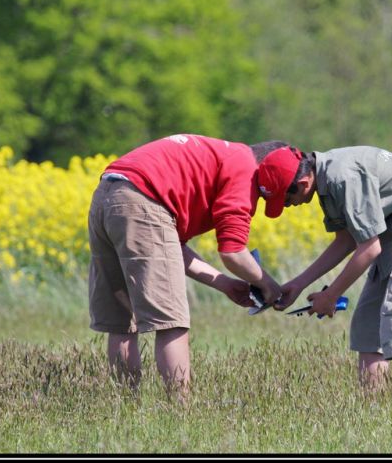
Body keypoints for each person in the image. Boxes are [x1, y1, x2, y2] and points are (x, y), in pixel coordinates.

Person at [87, 134, 285, 396]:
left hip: (106, 194)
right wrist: (269, 286)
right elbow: (233, 252)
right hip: (142, 201)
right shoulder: (245, 169)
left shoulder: (220, 156)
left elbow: (172, 247)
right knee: (172, 322)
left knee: (122, 321)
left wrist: (224, 284)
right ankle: (180, 412)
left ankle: (123, 406)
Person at [258, 146, 392, 399]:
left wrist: (331, 295)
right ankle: (373, 411)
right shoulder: (325, 180)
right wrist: (298, 285)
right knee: (366, 327)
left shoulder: (343, 177)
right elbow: (346, 240)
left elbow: (369, 247)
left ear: (303, 182)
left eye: (286, 200)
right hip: (389, 237)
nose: (288, 206)